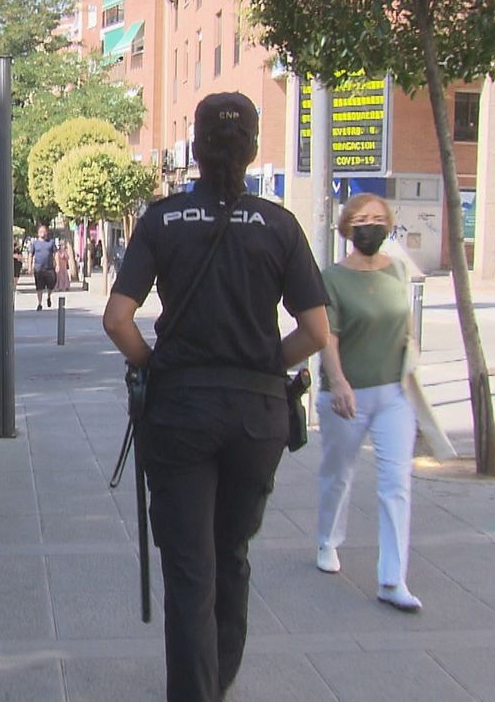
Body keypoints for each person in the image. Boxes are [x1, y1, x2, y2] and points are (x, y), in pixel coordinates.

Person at [103, 91, 330, 702]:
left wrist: (156, 365)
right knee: (231, 553)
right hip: (257, 418)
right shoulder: (280, 225)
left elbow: (118, 318)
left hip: (180, 413)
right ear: (253, 149)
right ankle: (218, 681)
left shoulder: (162, 219)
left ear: (195, 150)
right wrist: (261, 365)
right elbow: (314, 332)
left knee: (189, 572)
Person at [314, 192, 422, 612]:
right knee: (338, 475)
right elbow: (328, 334)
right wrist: (338, 381)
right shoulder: (333, 278)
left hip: (396, 393)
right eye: (362, 219)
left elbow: (405, 325)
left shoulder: (398, 270)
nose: (370, 225)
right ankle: (327, 540)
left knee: (397, 483)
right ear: (347, 226)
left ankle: (393, 579)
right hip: (347, 394)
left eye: (378, 218)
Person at [30, 224, 58, 310]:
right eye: (41, 231)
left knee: (51, 285)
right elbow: (31, 255)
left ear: (46, 232)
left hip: (49, 268)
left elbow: (55, 253)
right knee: (39, 287)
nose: (42, 233)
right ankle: (39, 303)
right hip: (38, 268)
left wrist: (57, 265)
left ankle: (49, 296)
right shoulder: (35, 243)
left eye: (44, 231)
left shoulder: (51, 242)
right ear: (38, 233)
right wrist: (30, 266)